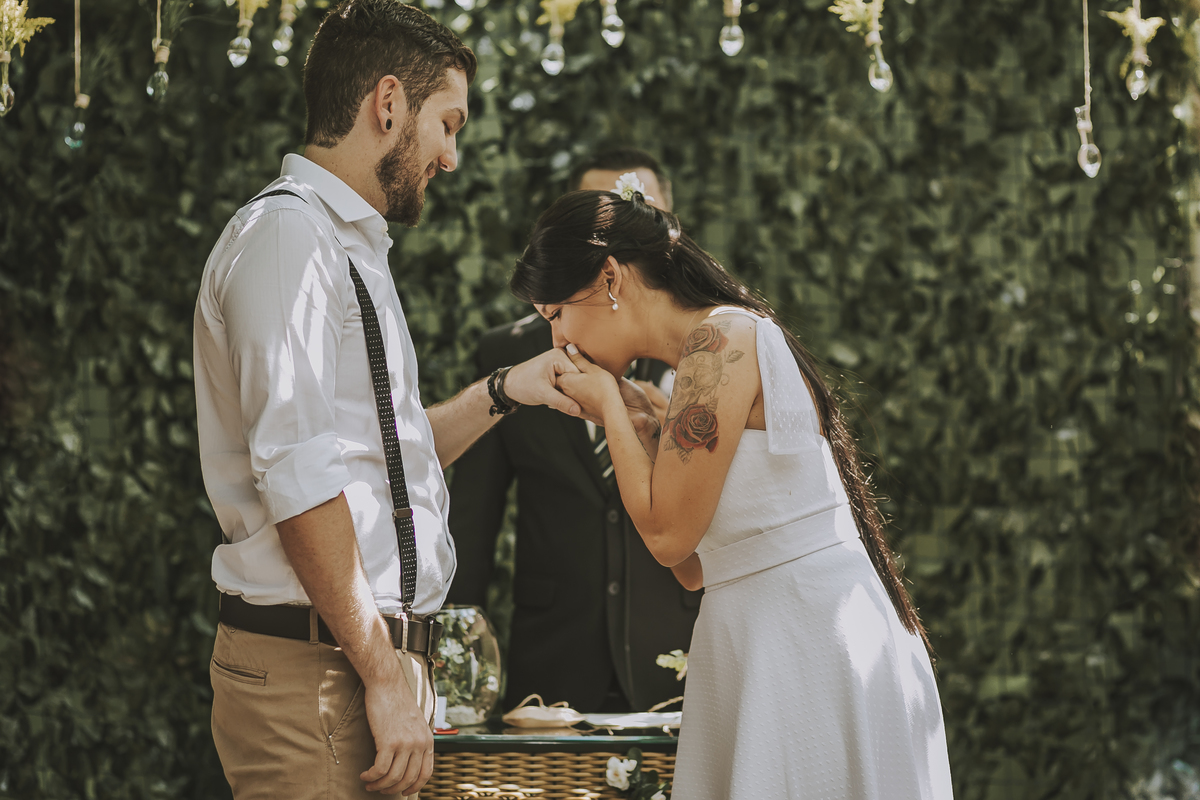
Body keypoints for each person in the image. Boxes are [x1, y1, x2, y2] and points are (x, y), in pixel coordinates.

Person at [192, 3, 585, 798]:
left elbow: (378, 461)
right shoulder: (289, 239)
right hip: (318, 675)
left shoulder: (345, 244)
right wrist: (380, 672)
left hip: (352, 666)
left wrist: (505, 391)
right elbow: (299, 473)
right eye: (449, 123)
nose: (452, 156)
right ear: (388, 103)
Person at [509, 182, 955, 799]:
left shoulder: (720, 341)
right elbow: (695, 568)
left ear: (609, 278)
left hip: (807, 641)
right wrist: (642, 426)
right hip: (757, 637)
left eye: (555, 313)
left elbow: (667, 538)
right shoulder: (695, 365)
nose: (558, 342)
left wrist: (611, 407)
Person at [447, 148, 701, 714]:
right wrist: (453, 659)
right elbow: (473, 516)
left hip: (682, 650)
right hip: (555, 660)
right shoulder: (511, 353)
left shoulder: (708, 351)